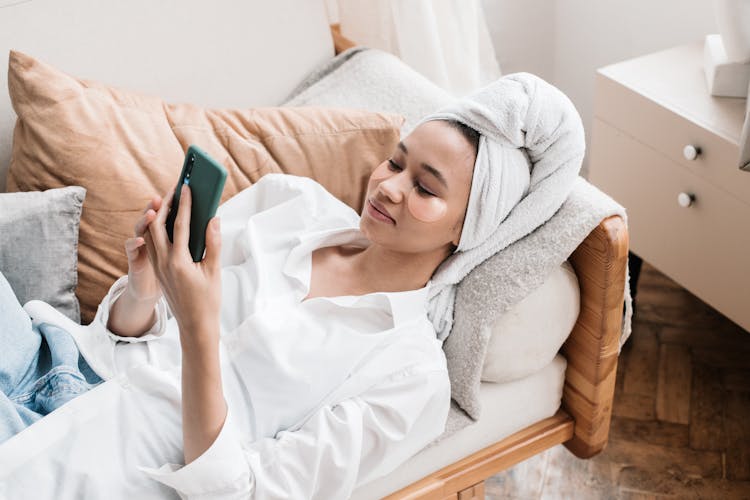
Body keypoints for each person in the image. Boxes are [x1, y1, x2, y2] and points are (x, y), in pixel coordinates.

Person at [0, 118, 480, 499]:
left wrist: (198, 328)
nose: (391, 187)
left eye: (426, 189)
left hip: (101, 465)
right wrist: (145, 290)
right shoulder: (293, 205)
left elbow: (234, 492)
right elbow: (117, 338)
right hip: (49, 358)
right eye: (396, 163)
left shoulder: (411, 378)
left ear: (468, 229)